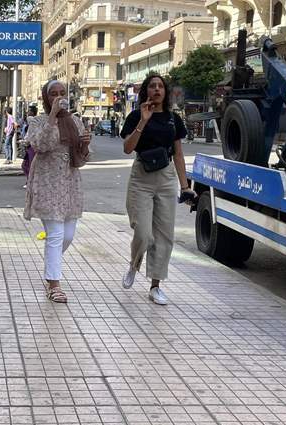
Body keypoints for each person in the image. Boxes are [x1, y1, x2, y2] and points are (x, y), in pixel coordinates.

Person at [119, 74, 196, 305]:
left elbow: (179, 154)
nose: (156, 89)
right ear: (146, 91)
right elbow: (127, 148)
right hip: (141, 176)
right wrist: (143, 121)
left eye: (160, 86)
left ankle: (155, 286)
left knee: (164, 235)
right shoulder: (135, 116)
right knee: (143, 233)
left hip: (166, 176)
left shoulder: (173, 119)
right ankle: (134, 265)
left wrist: (185, 186)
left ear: (165, 91)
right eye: (152, 86)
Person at [24, 80, 91, 303]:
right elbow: (40, 145)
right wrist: (52, 115)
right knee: (55, 234)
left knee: (68, 235)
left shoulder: (75, 121)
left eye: (62, 93)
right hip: (47, 181)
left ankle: (50, 266)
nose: (59, 97)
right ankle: (54, 284)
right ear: (46, 97)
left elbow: (84, 158)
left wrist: (84, 145)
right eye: (53, 94)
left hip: (70, 182)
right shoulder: (37, 121)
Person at [21, 105, 38, 188]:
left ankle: (30, 182)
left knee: (30, 165)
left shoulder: (33, 121)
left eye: (29, 111)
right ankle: (30, 181)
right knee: (25, 165)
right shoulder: (29, 124)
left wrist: (25, 141)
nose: (28, 113)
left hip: (32, 146)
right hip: (28, 146)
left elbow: (31, 135)